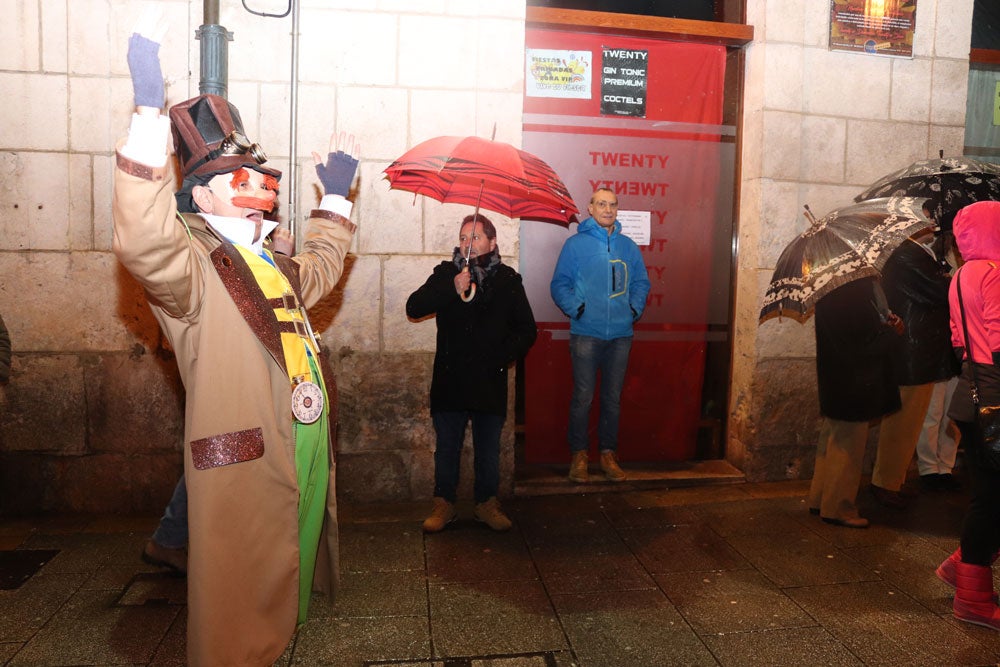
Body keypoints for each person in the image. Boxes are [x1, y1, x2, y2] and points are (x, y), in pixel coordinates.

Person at [114, 18, 359, 665]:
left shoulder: (270, 260)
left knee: (287, 573)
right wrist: (145, 117)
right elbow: (143, 240)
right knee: (240, 609)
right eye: (239, 178)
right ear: (203, 194)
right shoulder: (193, 266)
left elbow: (324, 268)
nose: (258, 191)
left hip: (302, 443)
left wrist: (336, 197)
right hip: (248, 457)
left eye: (260, 178)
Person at [141, 227, 295, 577]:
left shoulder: (227, 241)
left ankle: (171, 538)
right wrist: (282, 260)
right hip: (225, 373)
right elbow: (255, 303)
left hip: (233, 371)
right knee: (220, 459)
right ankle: (189, 547)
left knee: (217, 457)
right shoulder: (206, 247)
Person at [406, 214, 537, 532]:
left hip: (488, 380)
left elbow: (527, 329)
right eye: (463, 237)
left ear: (492, 243)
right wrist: (453, 287)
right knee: (447, 446)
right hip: (450, 378)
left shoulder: (507, 279)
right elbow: (414, 307)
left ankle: (486, 504)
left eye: (475, 237)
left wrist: (500, 358)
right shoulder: (446, 272)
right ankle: (444, 504)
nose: (468, 243)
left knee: (488, 448)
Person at [550, 187, 650, 483]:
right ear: (590, 208)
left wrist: (633, 310)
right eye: (601, 204)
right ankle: (579, 456)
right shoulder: (574, 245)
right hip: (586, 334)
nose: (608, 209)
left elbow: (642, 283)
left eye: (613, 204)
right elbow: (559, 285)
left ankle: (608, 455)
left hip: (621, 334)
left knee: (612, 399)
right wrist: (577, 309)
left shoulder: (629, 246)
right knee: (583, 397)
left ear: (617, 210)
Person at [934, 201, 1000, 630]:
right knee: (991, 500)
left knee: (988, 495)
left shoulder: (962, 274)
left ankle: (965, 569)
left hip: (970, 397)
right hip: (997, 397)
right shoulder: (995, 273)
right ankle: (972, 596)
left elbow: (960, 342)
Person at [869, 234, 959, 508]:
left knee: (909, 423)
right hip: (913, 353)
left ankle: (892, 481)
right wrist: (951, 277)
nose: (935, 229)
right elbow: (941, 292)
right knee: (903, 422)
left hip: (921, 353)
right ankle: (885, 483)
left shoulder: (919, 256)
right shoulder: (908, 255)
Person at [808, 277, 902, 528]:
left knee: (833, 437)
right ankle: (839, 508)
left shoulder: (831, 285)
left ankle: (820, 498)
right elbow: (863, 342)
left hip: (838, 376)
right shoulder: (854, 291)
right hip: (855, 379)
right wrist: (892, 333)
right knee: (849, 443)